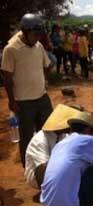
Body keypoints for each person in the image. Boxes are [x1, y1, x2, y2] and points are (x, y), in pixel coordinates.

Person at [1, 13, 53, 166]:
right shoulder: (11, 49)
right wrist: (11, 101)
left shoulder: (38, 46)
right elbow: (7, 78)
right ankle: (29, 167)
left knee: (49, 131)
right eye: (35, 34)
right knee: (26, 138)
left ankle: (49, 164)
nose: (37, 37)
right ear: (24, 31)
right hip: (23, 102)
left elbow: (47, 65)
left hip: (42, 98)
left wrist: (44, 80)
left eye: (39, 34)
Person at [25, 104, 80, 189]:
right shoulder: (40, 140)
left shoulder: (62, 135)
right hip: (38, 178)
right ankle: (49, 193)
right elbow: (42, 170)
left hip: (57, 171)